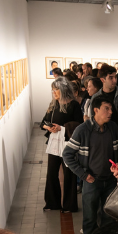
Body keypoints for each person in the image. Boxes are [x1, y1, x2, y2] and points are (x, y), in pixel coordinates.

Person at [63, 96, 118, 234]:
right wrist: (83, 175)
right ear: (96, 110)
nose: (110, 112)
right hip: (92, 181)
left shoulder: (113, 128)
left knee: (108, 217)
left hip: (110, 181)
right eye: (106, 109)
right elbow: (67, 155)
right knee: (89, 219)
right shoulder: (83, 130)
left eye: (111, 108)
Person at [42, 76, 84, 212]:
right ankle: (52, 203)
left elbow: (79, 125)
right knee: (51, 173)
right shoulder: (53, 105)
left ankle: (69, 205)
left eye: (56, 90)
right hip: (54, 143)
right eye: (53, 90)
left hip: (68, 144)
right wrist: (48, 127)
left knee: (69, 174)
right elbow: (43, 122)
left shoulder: (74, 105)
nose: (54, 92)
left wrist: (62, 128)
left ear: (63, 89)